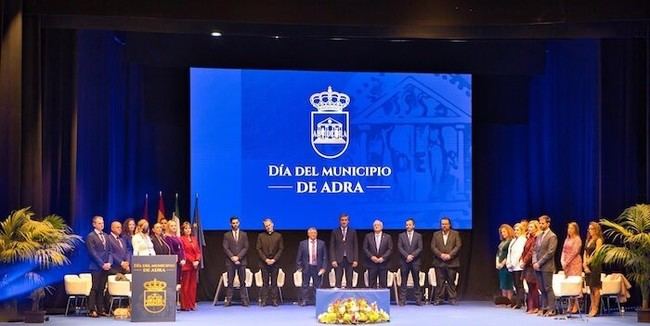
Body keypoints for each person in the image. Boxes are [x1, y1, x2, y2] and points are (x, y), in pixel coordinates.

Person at [430, 216, 462, 305]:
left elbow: (458, 245)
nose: (444, 225)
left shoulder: (455, 234)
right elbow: (433, 246)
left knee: (451, 281)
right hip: (439, 262)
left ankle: (452, 299)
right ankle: (438, 299)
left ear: (449, 225)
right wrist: (441, 255)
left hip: (452, 262)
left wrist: (450, 255)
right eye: (442, 224)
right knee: (440, 282)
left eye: (446, 224)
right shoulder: (436, 234)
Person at [86, 216, 112, 318]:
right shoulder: (90, 236)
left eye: (102, 223)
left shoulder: (106, 236)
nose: (102, 225)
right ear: (94, 224)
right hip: (96, 266)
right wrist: (102, 264)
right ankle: (92, 309)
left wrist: (109, 263)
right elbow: (93, 253)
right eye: (99, 223)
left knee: (102, 288)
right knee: (95, 288)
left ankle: (100, 309)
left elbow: (110, 251)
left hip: (106, 266)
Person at [533, 215, 557, 317]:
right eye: (540, 223)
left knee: (548, 288)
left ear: (548, 224)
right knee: (541, 288)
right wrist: (534, 262)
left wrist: (539, 262)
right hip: (537, 266)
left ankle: (552, 309)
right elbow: (534, 250)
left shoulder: (552, 236)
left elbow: (550, 252)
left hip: (547, 266)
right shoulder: (539, 236)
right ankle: (544, 307)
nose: (541, 225)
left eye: (543, 223)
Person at [222, 216, 250, 306]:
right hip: (230, 262)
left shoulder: (244, 234)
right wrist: (232, 258)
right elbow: (225, 248)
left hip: (242, 261)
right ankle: (229, 300)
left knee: (243, 281)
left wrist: (238, 257)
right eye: (233, 223)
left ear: (239, 223)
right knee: (230, 282)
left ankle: (244, 300)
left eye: (236, 223)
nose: (235, 224)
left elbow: (246, 247)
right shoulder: (227, 235)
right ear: (230, 224)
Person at [256, 218, 284, 306]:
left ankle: (274, 300)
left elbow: (281, 249)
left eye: (269, 225)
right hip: (264, 263)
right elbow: (258, 249)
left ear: (272, 224)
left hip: (275, 263)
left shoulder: (278, 236)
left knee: (274, 282)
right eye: (266, 226)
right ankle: (264, 301)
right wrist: (266, 259)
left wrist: (274, 259)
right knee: (265, 283)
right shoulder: (261, 236)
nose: (268, 227)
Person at [296, 227, 327, 306]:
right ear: (308, 234)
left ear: (316, 234)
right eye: (311, 233)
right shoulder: (302, 243)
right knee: (305, 285)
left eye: (315, 233)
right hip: (307, 267)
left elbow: (324, 257)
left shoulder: (322, 243)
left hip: (317, 267)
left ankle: (317, 301)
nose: (313, 234)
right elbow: (299, 256)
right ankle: (304, 300)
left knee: (317, 285)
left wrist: (323, 268)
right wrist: (299, 267)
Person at [397, 217, 423, 306]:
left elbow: (420, 248)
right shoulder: (401, 235)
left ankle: (418, 300)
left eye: (409, 225)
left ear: (414, 226)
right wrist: (407, 256)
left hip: (415, 261)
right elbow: (400, 247)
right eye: (406, 225)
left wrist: (412, 256)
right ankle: (402, 300)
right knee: (403, 281)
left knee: (416, 281)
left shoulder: (418, 236)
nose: (407, 226)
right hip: (404, 261)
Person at [329, 213, 358, 288]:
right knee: (338, 280)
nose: (344, 222)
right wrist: (333, 260)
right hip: (338, 260)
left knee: (349, 281)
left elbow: (355, 247)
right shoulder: (335, 231)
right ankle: (338, 299)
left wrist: (355, 260)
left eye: (345, 220)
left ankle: (350, 298)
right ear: (339, 221)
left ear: (348, 221)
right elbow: (332, 247)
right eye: (342, 220)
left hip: (350, 259)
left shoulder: (353, 231)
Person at [363, 219, 393, 289]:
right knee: (371, 284)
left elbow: (390, 249)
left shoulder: (388, 237)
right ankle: (371, 299)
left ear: (382, 227)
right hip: (371, 264)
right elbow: (365, 248)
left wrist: (383, 258)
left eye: (378, 225)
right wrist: (371, 257)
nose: (376, 226)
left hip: (383, 264)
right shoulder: (368, 236)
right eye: (375, 225)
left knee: (383, 284)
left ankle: (383, 300)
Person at [560, 222, 583, 313]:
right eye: (568, 228)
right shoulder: (567, 239)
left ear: (575, 230)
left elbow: (574, 252)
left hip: (574, 263)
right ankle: (570, 304)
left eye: (571, 228)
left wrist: (566, 262)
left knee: (574, 284)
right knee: (569, 285)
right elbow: (563, 250)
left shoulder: (577, 239)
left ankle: (576, 306)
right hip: (566, 264)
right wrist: (562, 261)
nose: (569, 230)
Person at [180, 222, 201, 311]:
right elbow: (184, 252)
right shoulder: (181, 239)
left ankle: (192, 304)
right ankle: (185, 305)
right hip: (186, 265)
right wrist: (192, 261)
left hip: (194, 266)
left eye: (189, 228)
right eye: (186, 228)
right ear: (183, 230)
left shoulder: (194, 238)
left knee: (193, 286)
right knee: (185, 286)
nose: (188, 230)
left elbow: (198, 252)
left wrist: (197, 260)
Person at [584, 221, 603, 317]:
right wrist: (585, 265)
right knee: (590, 288)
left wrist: (589, 261)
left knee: (595, 287)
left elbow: (597, 253)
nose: (590, 231)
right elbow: (585, 253)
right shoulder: (588, 240)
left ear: (596, 230)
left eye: (592, 229)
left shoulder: (598, 240)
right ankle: (592, 306)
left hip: (595, 266)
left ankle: (596, 308)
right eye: (589, 229)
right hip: (588, 266)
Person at [521, 221, 540, 314]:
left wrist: (524, 261)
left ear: (536, 228)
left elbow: (531, 251)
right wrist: (522, 259)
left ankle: (536, 307)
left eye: (531, 227)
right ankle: (530, 306)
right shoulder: (529, 238)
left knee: (534, 286)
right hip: (527, 266)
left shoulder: (536, 238)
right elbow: (524, 250)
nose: (529, 229)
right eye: (529, 227)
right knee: (529, 286)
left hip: (531, 265)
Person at [506, 223, 527, 309]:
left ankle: (520, 302)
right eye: (515, 230)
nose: (516, 231)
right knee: (515, 284)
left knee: (519, 284)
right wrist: (508, 263)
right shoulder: (513, 240)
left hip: (518, 266)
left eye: (518, 230)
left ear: (521, 230)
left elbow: (519, 253)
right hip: (512, 266)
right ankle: (518, 301)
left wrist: (513, 263)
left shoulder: (522, 240)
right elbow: (509, 252)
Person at [496, 224, 515, 304]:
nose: (503, 233)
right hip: (500, 265)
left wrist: (503, 263)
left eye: (504, 231)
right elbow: (498, 253)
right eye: (501, 232)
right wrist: (497, 262)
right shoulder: (502, 242)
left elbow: (509, 254)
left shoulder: (511, 241)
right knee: (503, 283)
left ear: (509, 231)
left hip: (506, 265)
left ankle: (509, 301)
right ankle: (504, 301)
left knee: (508, 283)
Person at [165, 219, 186, 285]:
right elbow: (171, 250)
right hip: (174, 262)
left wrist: (183, 259)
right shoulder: (167, 238)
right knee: (174, 281)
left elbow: (182, 248)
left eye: (175, 225)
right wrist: (179, 260)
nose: (174, 227)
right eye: (172, 226)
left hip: (180, 262)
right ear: (168, 227)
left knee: (179, 281)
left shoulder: (177, 237)